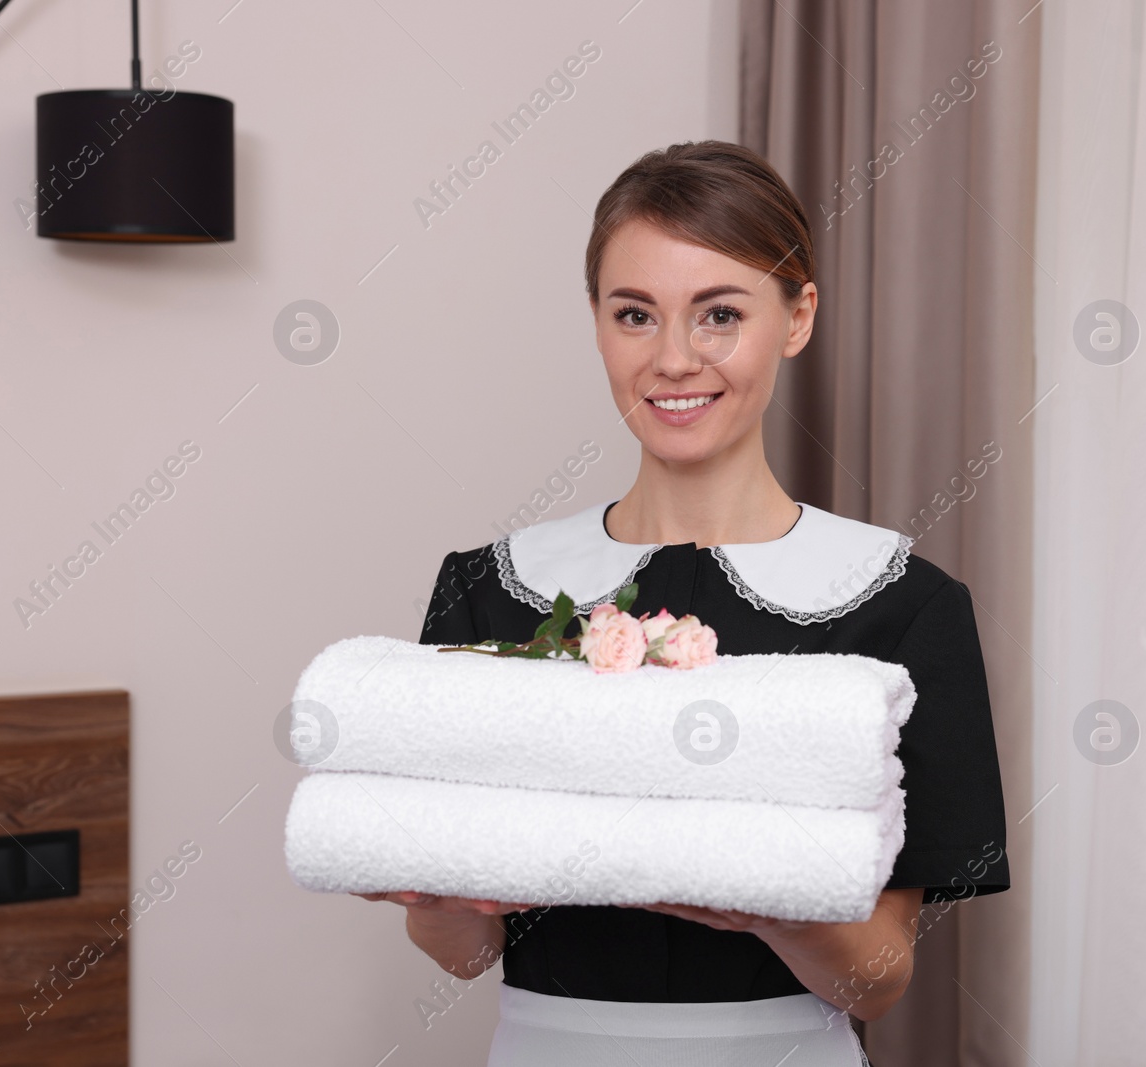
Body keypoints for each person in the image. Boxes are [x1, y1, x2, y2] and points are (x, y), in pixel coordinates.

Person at [358, 140, 1009, 1065]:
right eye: (636, 314)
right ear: (596, 321)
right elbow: (467, 955)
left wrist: (765, 914)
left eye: (719, 315)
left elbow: (880, 979)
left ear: (796, 316)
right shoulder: (491, 589)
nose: (673, 359)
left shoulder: (902, 604)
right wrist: (434, 894)